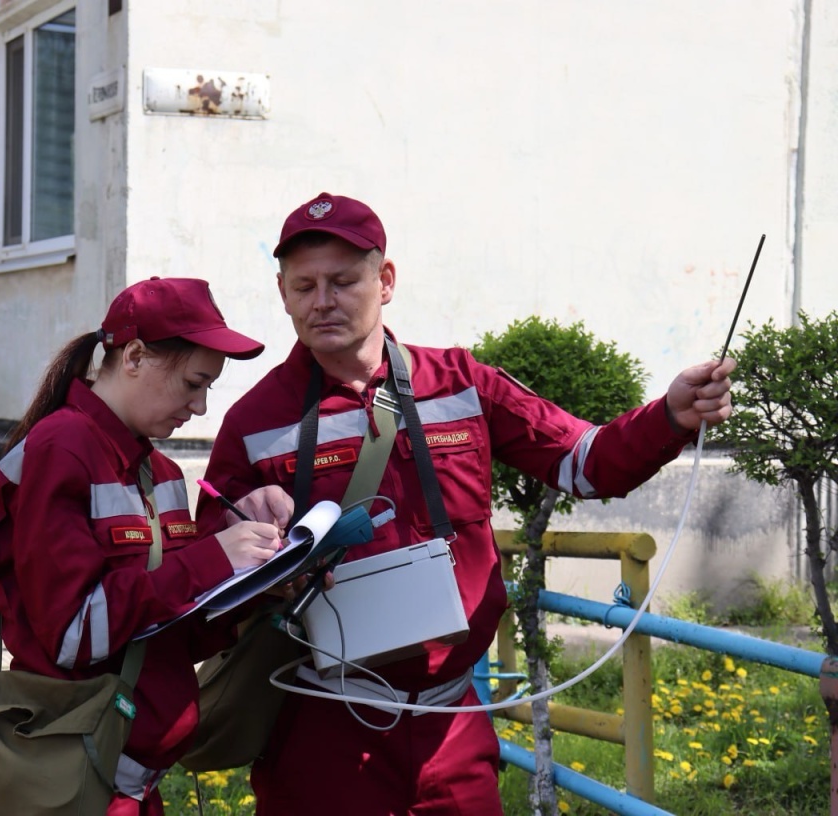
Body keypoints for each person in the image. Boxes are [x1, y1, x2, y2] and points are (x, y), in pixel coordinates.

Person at [195, 192, 737, 816]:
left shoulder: (461, 383)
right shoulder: (255, 422)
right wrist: (245, 548)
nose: (323, 301)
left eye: (343, 281)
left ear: (386, 280)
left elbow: (585, 462)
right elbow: (210, 569)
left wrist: (669, 415)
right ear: (283, 293)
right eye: (304, 285)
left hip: (453, 721)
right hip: (321, 723)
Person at [0, 276, 291, 816]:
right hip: (73, 784)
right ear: (136, 356)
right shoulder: (63, 448)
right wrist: (214, 558)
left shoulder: (160, 469)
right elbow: (75, 635)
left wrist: (264, 578)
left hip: (130, 785)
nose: (202, 407)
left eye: (209, 387)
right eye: (193, 383)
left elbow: (167, 634)